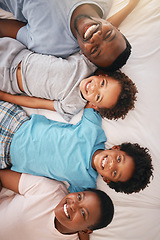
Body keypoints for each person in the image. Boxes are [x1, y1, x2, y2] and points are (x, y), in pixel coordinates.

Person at [0, 100, 153, 194]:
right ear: (116, 148)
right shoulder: (93, 130)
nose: (112, 164)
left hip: (4, 156)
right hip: (14, 122)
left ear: (106, 179)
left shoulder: (85, 183)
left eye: (114, 172)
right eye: (119, 159)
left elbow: (84, 217)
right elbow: (93, 100)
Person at [0, 37, 137, 122]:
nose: (94, 88)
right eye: (102, 84)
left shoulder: (73, 105)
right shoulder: (86, 63)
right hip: (14, 51)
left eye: (98, 96)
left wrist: (5, 97)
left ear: (94, 105)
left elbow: (36, 103)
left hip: (8, 82)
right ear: (103, 75)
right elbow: (103, 38)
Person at [0, 0, 140, 70]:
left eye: (95, 49)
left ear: (85, 55)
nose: (96, 37)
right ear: (113, 26)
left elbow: (3, 27)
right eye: (108, 34)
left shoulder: (50, 44)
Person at [0, 169, 114, 240]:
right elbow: (2, 176)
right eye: (79, 197)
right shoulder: (49, 190)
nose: (74, 205)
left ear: (85, 231)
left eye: (83, 213)